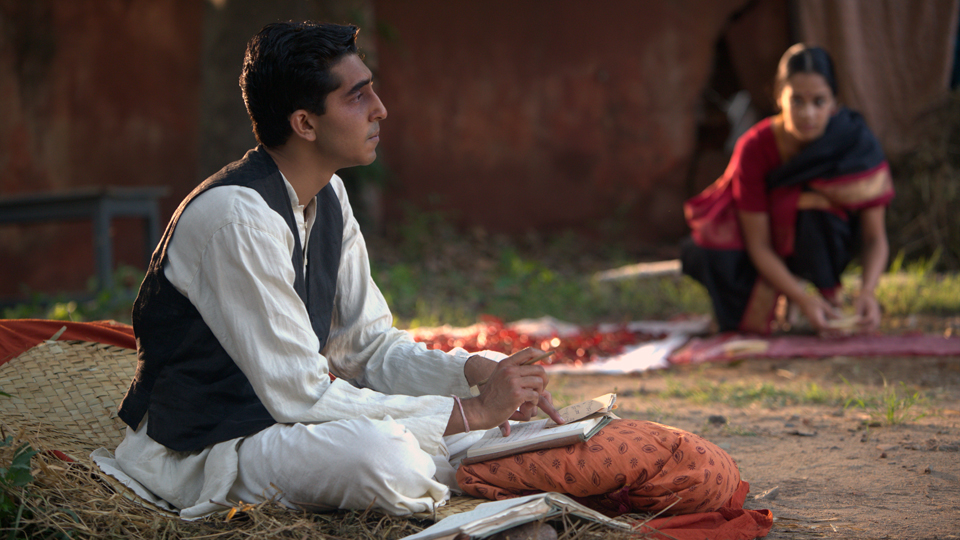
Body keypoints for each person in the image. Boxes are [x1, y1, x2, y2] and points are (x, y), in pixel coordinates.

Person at [107, 21, 564, 519]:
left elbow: (365, 349)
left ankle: (468, 460)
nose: (380, 109)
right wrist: (470, 411)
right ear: (305, 124)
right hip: (209, 449)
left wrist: (469, 371)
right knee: (386, 457)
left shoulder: (328, 195)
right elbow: (301, 394)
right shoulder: (237, 219)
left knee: (511, 438)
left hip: (286, 425)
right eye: (357, 96)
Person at [681, 44, 894, 335]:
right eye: (797, 101)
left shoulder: (855, 145)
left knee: (811, 203)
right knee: (705, 250)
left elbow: (874, 238)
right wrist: (801, 297)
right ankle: (789, 297)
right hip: (768, 249)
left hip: (834, 240)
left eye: (819, 102)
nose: (808, 114)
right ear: (779, 98)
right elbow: (758, 244)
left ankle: (828, 292)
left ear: (834, 104)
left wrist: (868, 291)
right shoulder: (754, 148)